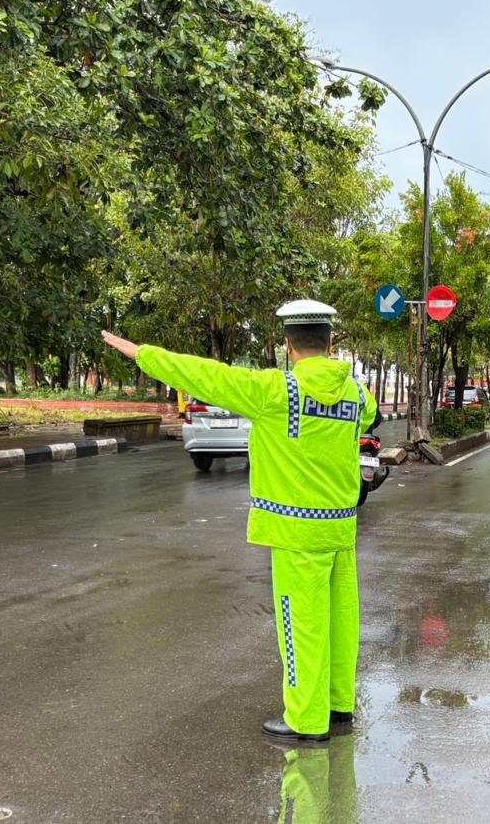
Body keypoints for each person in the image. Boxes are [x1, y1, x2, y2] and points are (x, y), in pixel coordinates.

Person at [100, 299, 377, 743]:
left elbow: (204, 374)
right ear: (330, 342)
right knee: (341, 618)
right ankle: (337, 705)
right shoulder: (358, 395)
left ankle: (306, 721)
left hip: (296, 532)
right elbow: (369, 415)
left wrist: (142, 353)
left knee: (300, 622)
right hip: (341, 527)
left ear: (289, 345)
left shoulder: (275, 391)